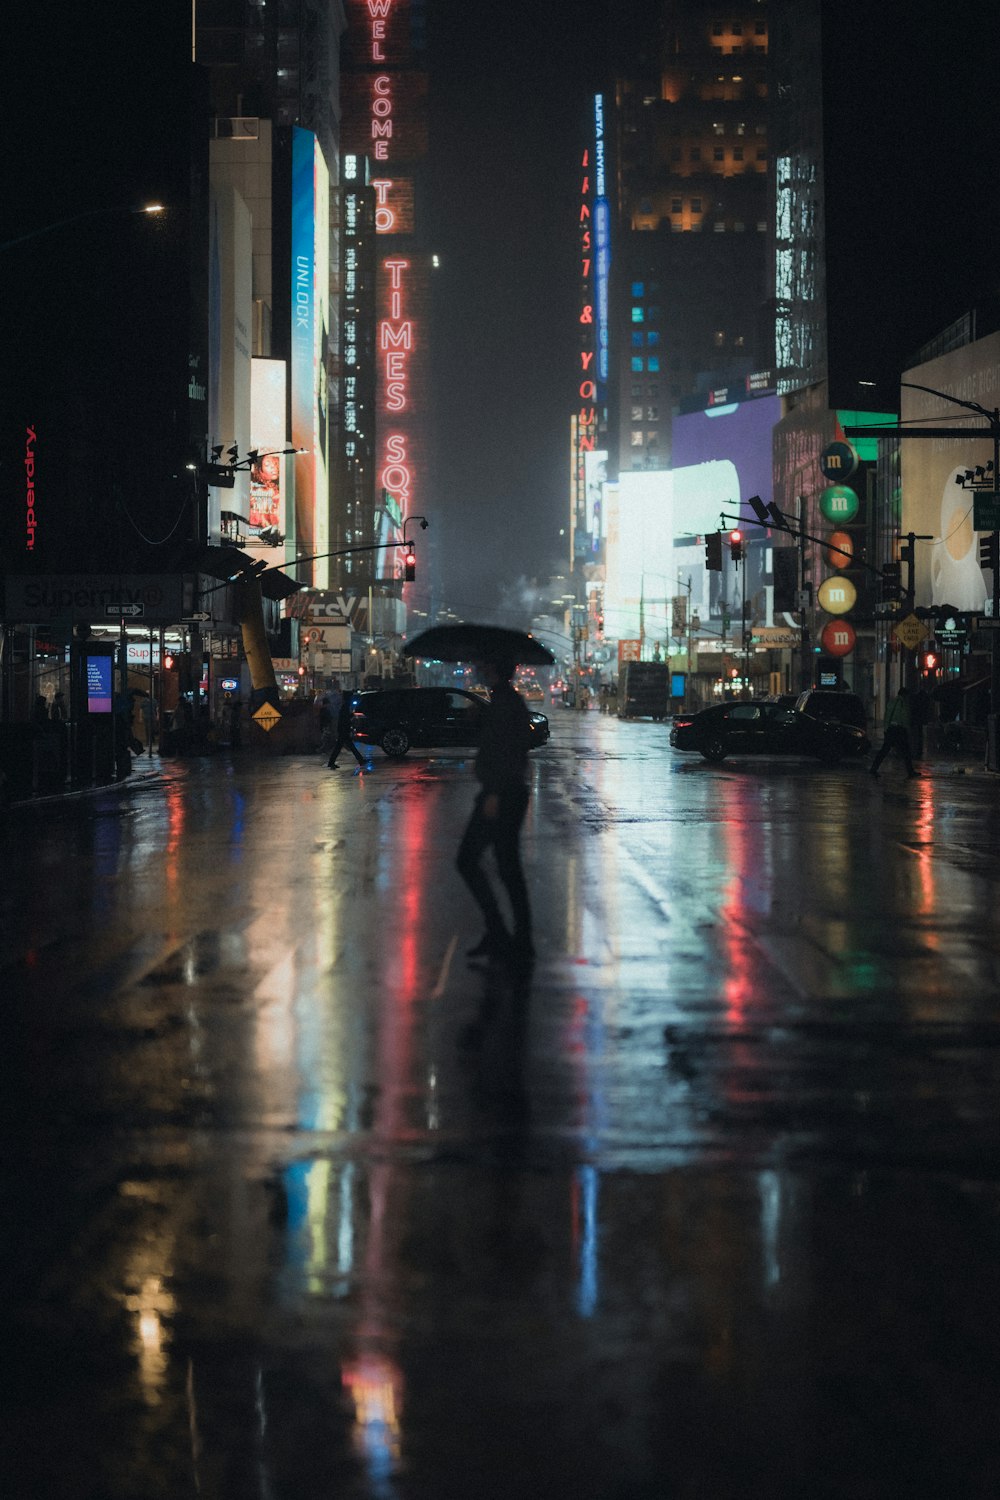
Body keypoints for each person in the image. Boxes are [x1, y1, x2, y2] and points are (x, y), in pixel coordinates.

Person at [456, 656, 534, 966]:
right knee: (506, 867)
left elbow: (508, 751)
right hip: (504, 792)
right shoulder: (503, 701)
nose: (479, 668)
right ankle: (511, 937)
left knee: (470, 860)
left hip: (501, 795)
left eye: (484, 665)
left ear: (495, 668)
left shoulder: (506, 703)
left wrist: (495, 793)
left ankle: (504, 934)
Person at [870, 686, 916, 778]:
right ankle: (910, 772)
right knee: (906, 751)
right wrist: (908, 730)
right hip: (899, 729)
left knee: (884, 750)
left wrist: (886, 729)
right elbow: (904, 718)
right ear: (905, 695)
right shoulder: (903, 704)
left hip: (891, 729)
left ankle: (874, 768)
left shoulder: (892, 702)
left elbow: (887, 715)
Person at [327, 690, 369, 770]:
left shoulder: (345, 705)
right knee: (344, 746)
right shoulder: (346, 706)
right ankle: (360, 760)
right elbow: (345, 719)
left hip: (343, 729)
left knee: (343, 746)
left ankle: (332, 762)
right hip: (344, 730)